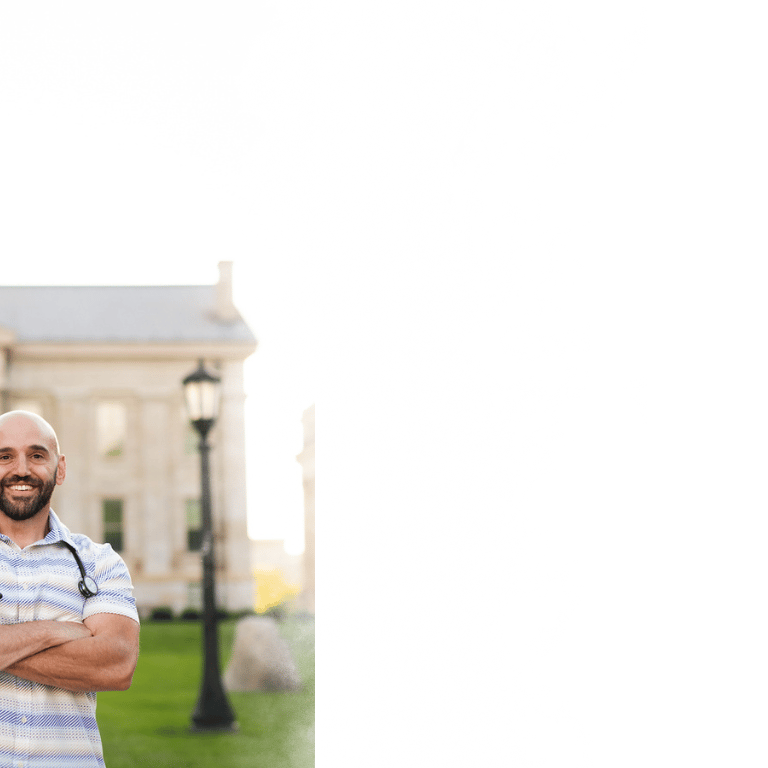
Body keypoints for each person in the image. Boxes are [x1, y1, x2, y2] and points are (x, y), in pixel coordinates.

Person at [0, 410, 140, 768]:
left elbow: (117, 665)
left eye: (36, 455)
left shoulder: (100, 562)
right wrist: (55, 631)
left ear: (59, 469)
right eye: (4, 456)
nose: (20, 470)